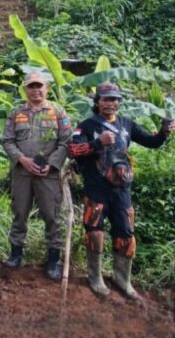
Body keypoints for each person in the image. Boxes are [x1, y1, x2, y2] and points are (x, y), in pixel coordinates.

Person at [68, 82, 174, 298]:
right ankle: (95, 278)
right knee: (94, 232)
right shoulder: (87, 126)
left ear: (119, 102)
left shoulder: (127, 124)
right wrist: (97, 143)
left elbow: (151, 142)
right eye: (106, 99)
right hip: (96, 189)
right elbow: (72, 150)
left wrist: (164, 133)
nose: (110, 103)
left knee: (126, 234)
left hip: (121, 190)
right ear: (97, 101)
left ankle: (122, 279)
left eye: (115, 99)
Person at [2, 72, 72, 280]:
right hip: (22, 173)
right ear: (25, 89)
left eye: (39, 86)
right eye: (31, 86)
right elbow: (7, 140)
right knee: (20, 212)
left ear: (46, 88)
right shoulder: (16, 113)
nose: (35, 90)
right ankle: (16, 254)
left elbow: (66, 142)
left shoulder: (57, 112)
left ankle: (53, 260)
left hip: (48, 174)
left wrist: (52, 165)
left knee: (52, 215)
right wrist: (22, 159)